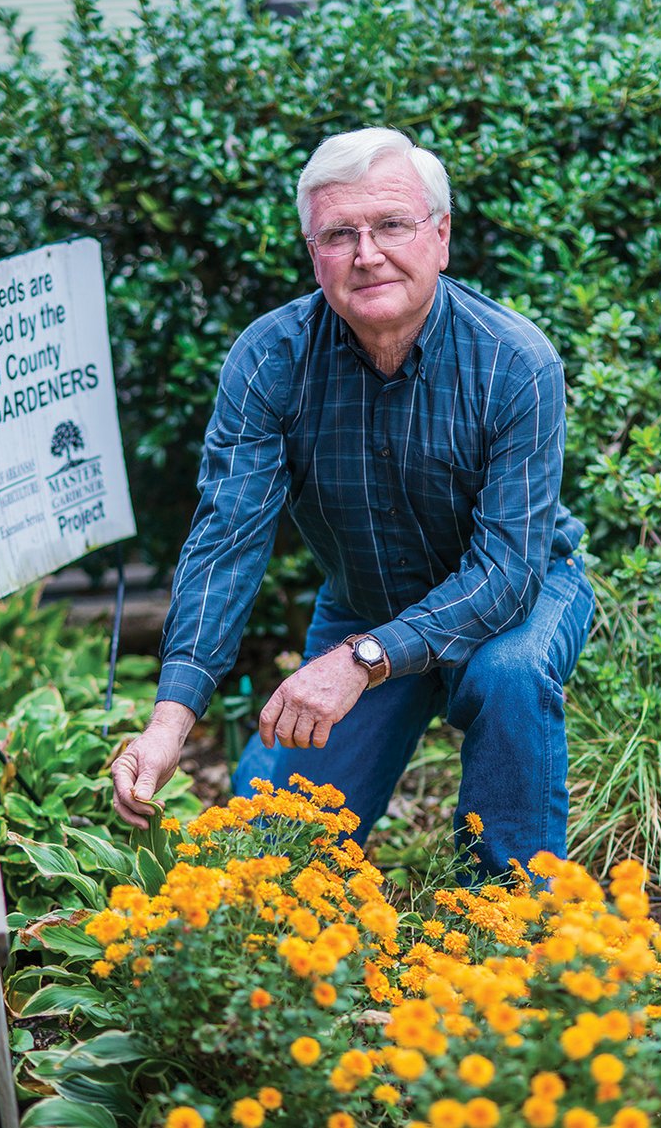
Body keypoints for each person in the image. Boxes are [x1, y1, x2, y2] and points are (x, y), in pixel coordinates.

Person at [112, 127, 594, 880]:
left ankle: (515, 923)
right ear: (315, 254)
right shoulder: (271, 359)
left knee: (509, 673)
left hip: (523, 594)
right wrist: (171, 718)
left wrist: (361, 661)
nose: (367, 253)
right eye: (341, 233)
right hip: (366, 603)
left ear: (439, 237)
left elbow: (505, 573)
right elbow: (226, 540)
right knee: (265, 865)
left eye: (392, 225)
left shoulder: (516, 360)